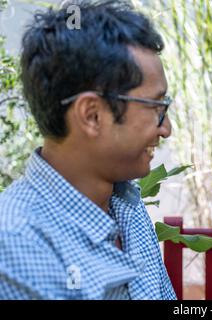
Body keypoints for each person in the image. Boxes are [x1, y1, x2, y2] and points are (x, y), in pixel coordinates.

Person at [0, 1, 176, 299]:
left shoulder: (125, 204)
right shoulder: (16, 242)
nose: (166, 128)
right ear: (92, 115)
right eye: (156, 108)